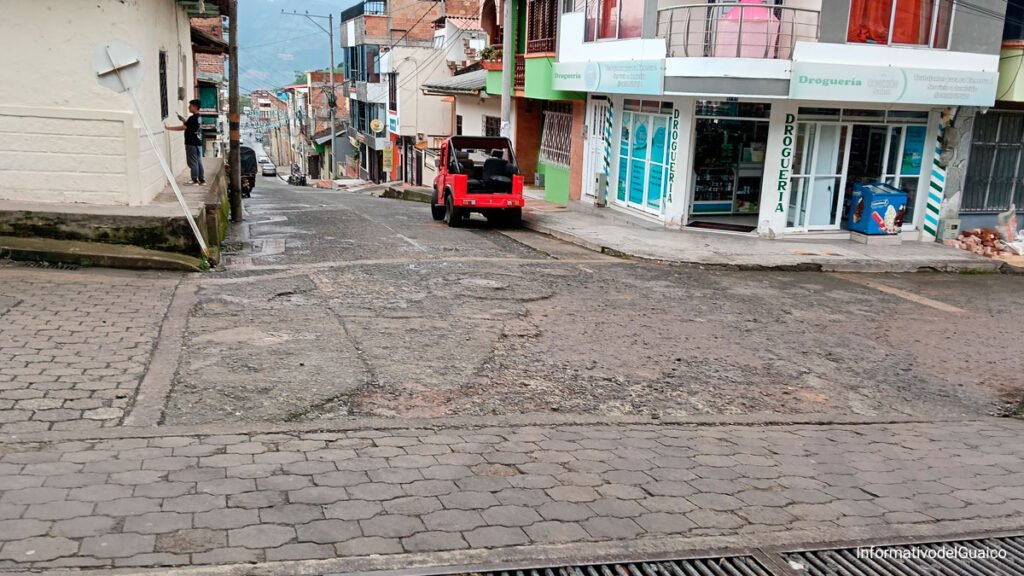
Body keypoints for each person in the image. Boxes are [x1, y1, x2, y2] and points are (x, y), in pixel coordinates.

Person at [165, 99, 205, 185]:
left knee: (192, 161)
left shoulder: (192, 118)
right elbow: (190, 126)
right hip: (197, 142)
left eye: (190, 106)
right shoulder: (198, 117)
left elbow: (183, 127)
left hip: (191, 142)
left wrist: (169, 128)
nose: (188, 108)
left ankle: (195, 180)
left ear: (194, 107)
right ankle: (201, 179)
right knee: (198, 160)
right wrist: (183, 120)